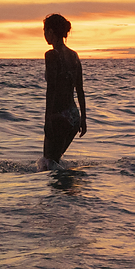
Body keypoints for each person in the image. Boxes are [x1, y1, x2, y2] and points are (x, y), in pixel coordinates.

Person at [36, 14, 87, 171]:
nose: (44, 34)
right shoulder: (74, 56)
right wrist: (83, 119)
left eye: (45, 31)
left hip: (58, 116)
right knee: (55, 161)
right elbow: (80, 89)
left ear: (51, 32)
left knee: (48, 163)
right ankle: (66, 193)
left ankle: (56, 194)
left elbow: (51, 89)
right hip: (73, 117)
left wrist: (47, 120)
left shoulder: (51, 55)